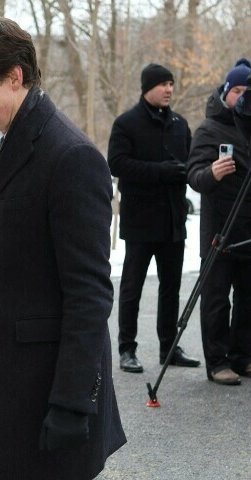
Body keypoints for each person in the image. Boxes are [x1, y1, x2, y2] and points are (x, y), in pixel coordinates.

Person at [0, 18, 125, 479]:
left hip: (48, 393)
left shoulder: (72, 158)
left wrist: (73, 401)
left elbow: (89, 294)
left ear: (15, 77)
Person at [187, 59, 251, 385]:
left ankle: (243, 356)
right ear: (226, 92)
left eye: (248, 91)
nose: (242, 97)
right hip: (221, 230)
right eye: (237, 90)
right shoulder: (209, 129)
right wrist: (211, 173)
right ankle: (218, 361)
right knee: (216, 299)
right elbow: (194, 175)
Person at [108, 63, 200, 374]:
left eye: (171, 83)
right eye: (162, 84)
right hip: (140, 220)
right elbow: (117, 164)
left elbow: (190, 162)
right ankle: (127, 349)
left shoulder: (179, 123)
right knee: (132, 287)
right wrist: (161, 170)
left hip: (174, 219)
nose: (168, 89)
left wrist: (185, 172)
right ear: (147, 88)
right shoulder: (127, 123)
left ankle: (169, 347)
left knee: (170, 286)